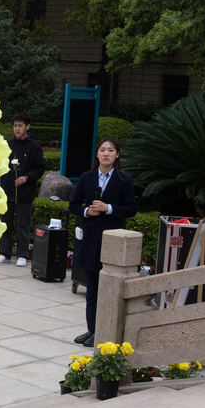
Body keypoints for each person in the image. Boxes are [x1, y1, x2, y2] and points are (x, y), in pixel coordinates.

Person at [68, 138, 137, 348]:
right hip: (91, 239)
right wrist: (87, 211)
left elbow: (131, 209)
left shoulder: (124, 180)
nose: (106, 154)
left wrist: (108, 208)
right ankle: (92, 329)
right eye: (102, 150)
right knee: (92, 289)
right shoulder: (86, 177)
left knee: (108, 290)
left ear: (117, 155)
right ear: (97, 154)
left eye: (111, 150)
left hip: (112, 241)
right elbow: (73, 205)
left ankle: (103, 331)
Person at [0, 113, 45, 267]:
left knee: (23, 225)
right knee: (5, 223)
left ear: (27, 127)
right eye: (15, 126)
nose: (17, 129)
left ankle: (22, 254)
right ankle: (4, 253)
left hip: (25, 193)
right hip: (7, 191)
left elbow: (39, 168)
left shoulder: (34, 146)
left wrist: (27, 177)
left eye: (20, 126)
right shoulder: (7, 144)